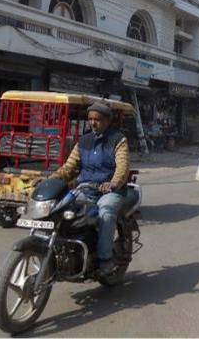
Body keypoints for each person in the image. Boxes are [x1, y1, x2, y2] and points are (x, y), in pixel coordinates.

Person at [46, 102, 138, 274]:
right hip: (85, 189)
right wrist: (49, 181)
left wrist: (113, 183)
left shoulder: (118, 140)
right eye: (91, 119)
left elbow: (122, 167)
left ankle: (105, 259)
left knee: (106, 210)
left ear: (107, 121)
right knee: (61, 209)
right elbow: (69, 167)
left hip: (110, 191)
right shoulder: (84, 141)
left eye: (98, 120)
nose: (93, 123)